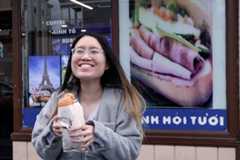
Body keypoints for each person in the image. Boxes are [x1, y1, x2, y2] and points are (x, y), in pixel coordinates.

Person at [32, 32, 145, 160]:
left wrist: (99, 134)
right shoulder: (58, 98)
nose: (85, 56)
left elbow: (130, 152)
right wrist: (53, 132)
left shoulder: (122, 100)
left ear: (107, 63)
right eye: (79, 51)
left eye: (94, 51)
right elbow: (43, 152)